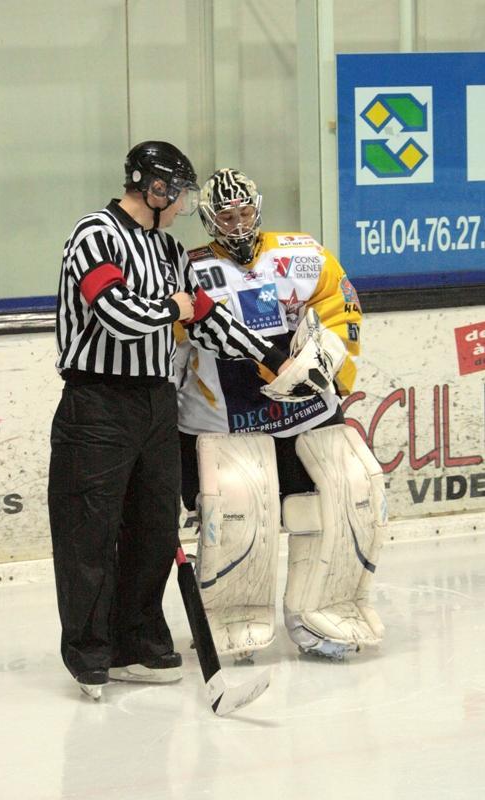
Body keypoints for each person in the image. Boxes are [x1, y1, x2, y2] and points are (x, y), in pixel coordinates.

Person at [48, 146, 290, 699]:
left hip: (157, 403)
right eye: (178, 193)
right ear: (154, 191)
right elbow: (117, 315)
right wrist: (176, 307)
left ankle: (136, 638)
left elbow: (205, 316)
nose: (184, 205)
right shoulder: (96, 235)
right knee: (90, 530)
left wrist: (269, 356)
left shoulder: (169, 250)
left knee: (155, 528)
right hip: (98, 404)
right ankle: (90, 651)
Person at [176, 168, 386, 661]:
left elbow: (342, 305)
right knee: (236, 516)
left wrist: (331, 362)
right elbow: (171, 344)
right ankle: (230, 618)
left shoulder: (301, 253)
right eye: (225, 215)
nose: (237, 223)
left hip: (307, 411)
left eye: (245, 212)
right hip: (223, 422)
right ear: (208, 219)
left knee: (338, 503)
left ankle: (319, 614)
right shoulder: (187, 269)